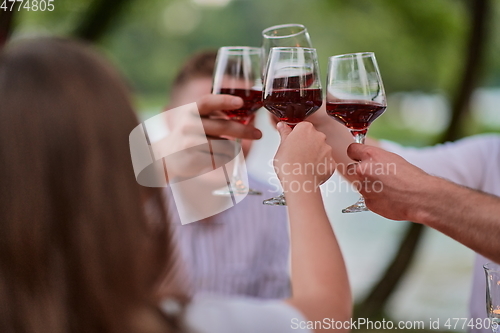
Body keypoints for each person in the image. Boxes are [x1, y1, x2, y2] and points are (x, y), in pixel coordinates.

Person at [0, 37, 351, 333]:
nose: (223, 133)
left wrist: (143, 161)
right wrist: (302, 183)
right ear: (168, 115)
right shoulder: (175, 320)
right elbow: (324, 317)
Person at [309, 107, 500, 332]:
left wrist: (423, 195)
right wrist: (322, 121)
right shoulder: (492, 152)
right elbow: (390, 173)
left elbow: (409, 184)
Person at [160, 50, 291, 299]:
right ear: (168, 120)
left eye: (242, 119)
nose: (227, 136)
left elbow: (274, 308)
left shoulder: (271, 202)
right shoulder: (126, 202)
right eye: (206, 119)